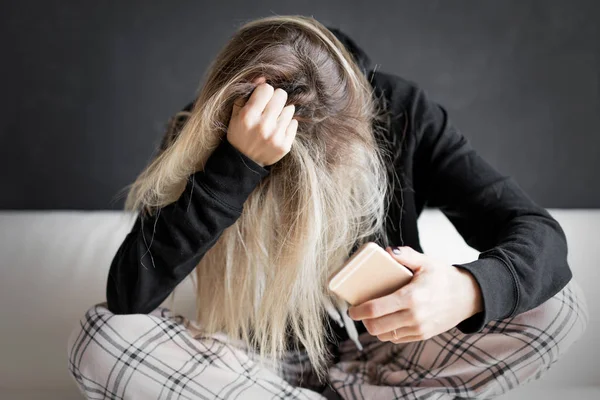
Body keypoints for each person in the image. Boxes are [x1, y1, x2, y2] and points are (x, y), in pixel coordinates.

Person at [67, 15, 588, 400]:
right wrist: (234, 170)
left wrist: (469, 289)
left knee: (558, 303)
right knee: (101, 339)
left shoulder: (401, 112)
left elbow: (537, 234)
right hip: (257, 369)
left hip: (387, 356)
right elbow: (127, 297)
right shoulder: (199, 132)